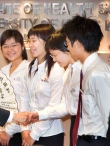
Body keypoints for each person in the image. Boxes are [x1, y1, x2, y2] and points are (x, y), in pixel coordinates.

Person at [62, 15, 110, 146]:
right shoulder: (87, 69)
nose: (68, 48)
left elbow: (109, 116)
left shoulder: (97, 73)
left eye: (67, 43)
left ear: (76, 44)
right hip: (85, 139)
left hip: (97, 141)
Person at [31, 30, 82, 146]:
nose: (54, 60)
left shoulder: (85, 70)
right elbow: (66, 106)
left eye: (55, 55)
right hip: (76, 124)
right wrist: (39, 115)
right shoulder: (67, 73)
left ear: (67, 48)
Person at [20, 24, 65, 146]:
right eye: (29, 41)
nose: (30, 45)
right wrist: (24, 129)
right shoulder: (30, 67)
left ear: (47, 41)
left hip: (50, 134)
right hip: (28, 132)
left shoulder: (56, 70)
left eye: (34, 41)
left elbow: (53, 107)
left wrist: (34, 135)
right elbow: (24, 99)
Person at [0, 29, 30, 146]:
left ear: (23, 46)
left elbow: (25, 104)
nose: (10, 50)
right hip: (4, 132)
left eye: (14, 45)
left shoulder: (29, 69)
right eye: (5, 46)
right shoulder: (2, 71)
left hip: (23, 132)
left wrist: (8, 132)